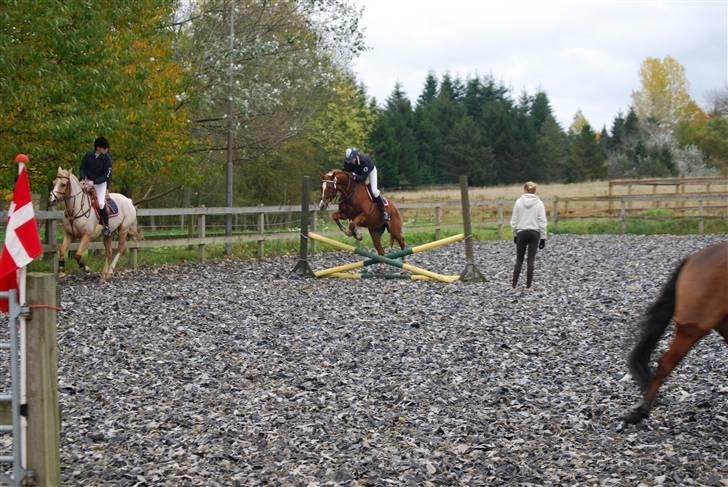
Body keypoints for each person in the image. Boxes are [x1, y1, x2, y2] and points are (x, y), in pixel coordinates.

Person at [510, 181, 547, 290]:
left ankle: (514, 285)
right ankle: (528, 286)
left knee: (519, 260)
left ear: (524, 189)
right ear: (535, 191)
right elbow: (542, 221)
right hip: (534, 233)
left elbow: (514, 220)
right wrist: (543, 237)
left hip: (522, 232)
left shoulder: (518, 202)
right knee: (531, 260)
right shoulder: (539, 203)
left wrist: (515, 234)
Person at [342, 147, 389, 222]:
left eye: (352, 159)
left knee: (374, 191)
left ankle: (384, 212)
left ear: (356, 156)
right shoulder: (348, 162)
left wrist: (354, 176)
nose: (351, 162)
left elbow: (363, 178)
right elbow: (345, 172)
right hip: (359, 173)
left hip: (370, 172)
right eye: (349, 160)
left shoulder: (364, 161)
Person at [80, 136, 113, 237]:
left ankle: (106, 227)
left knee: (101, 204)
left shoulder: (107, 159)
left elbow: (106, 175)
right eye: (105, 148)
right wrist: (82, 179)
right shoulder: (88, 155)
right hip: (87, 181)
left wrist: (93, 182)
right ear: (98, 148)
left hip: (100, 183)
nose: (106, 150)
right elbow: (82, 168)